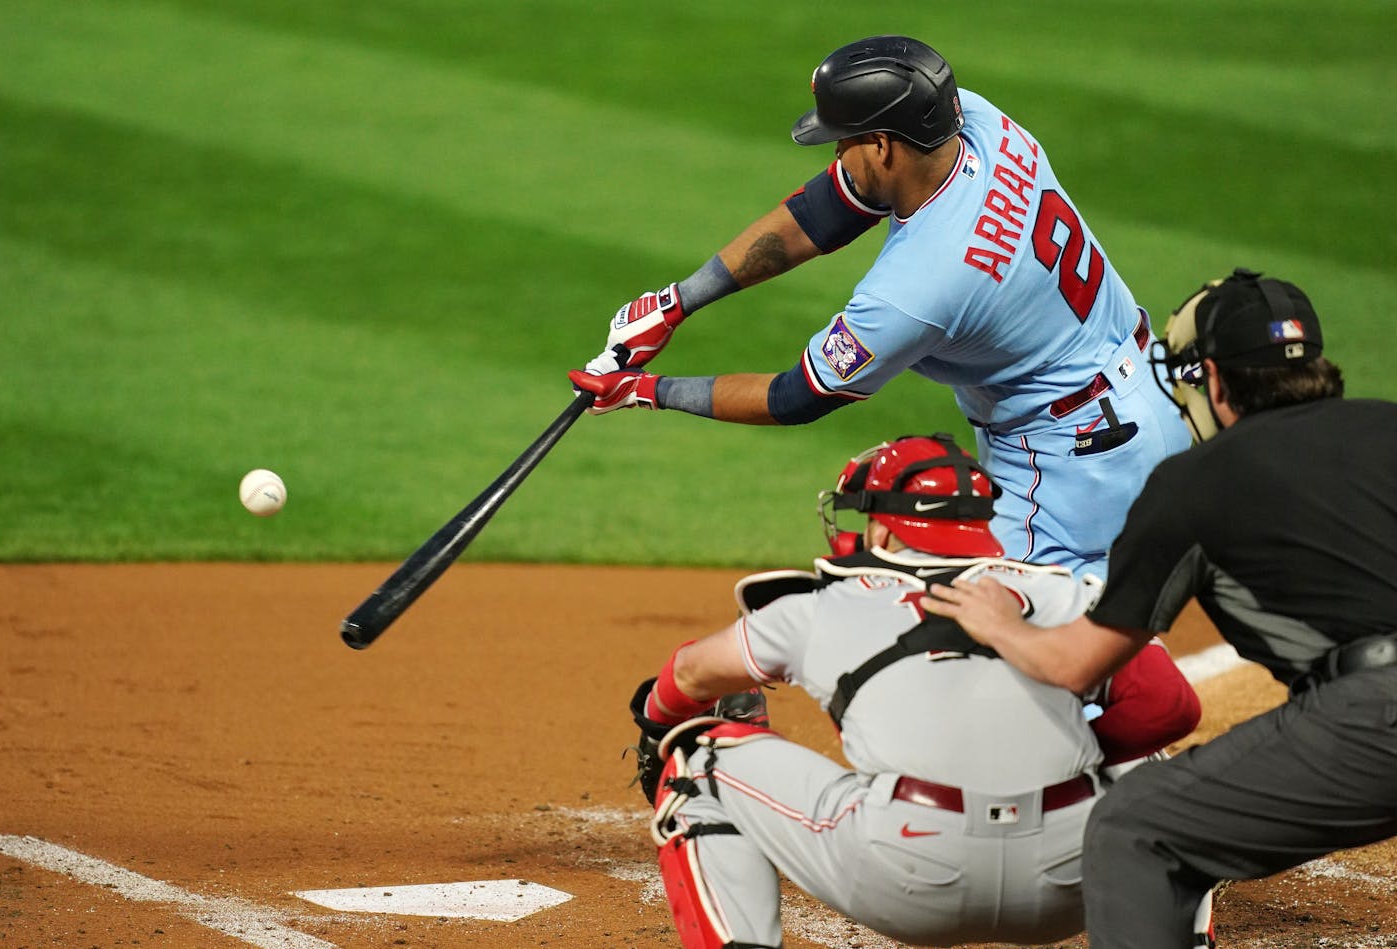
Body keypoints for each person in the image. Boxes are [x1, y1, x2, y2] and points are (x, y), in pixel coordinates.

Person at [570, 35, 1191, 578]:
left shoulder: (917, 289)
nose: (835, 155)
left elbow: (796, 398)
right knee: (1092, 646)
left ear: (884, 146)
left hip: (1072, 459)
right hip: (1142, 395)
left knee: (1014, 659)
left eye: (843, 142)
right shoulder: (976, 121)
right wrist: (677, 302)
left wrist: (645, 391)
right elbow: (824, 211)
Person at [919, 269, 1397, 948]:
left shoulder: (1193, 484)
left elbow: (1080, 663)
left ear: (1215, 380)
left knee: (1131, 826)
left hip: (1373, 723)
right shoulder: (1388, 425)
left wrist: (1000, 621)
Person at [626, 433, 1199, 948]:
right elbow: (1169, 707)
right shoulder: (1062, 593)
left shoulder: (816, 610)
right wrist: (1069, 752)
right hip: (1070, 885)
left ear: (881, 528)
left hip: (906, 880)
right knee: (1155, 772)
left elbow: (690, 675)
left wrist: (656, 725)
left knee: (697, 759)